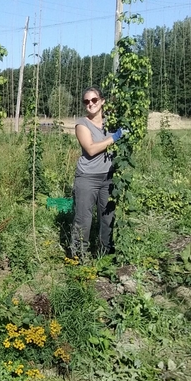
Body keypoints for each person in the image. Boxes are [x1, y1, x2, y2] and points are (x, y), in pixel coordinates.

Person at [69, 86, 124, 261]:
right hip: (87, 178)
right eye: (86, 101)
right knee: (83, 219)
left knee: (107, 218)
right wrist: (114, 138)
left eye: (94, 100)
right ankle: (79, 256)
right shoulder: (81, 124)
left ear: (102, 101)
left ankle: (104, 255)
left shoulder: (111, 123)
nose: (90, 104)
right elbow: (91, 149)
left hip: (108, 177)